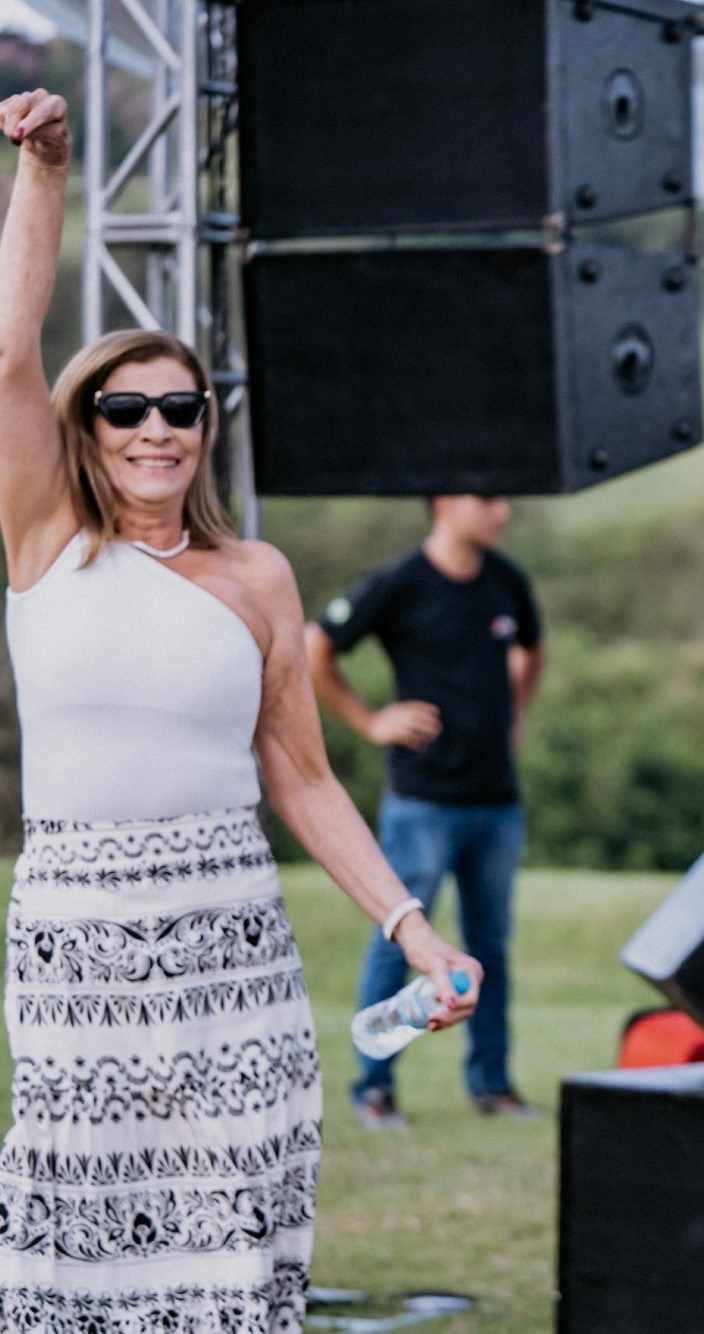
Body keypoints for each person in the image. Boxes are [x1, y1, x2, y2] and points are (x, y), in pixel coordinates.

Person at [0, 89, 480, 1326]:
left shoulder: (258, 575)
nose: (155, 429)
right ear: (86, 426)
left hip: (229, 926)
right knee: (92, 1216)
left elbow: (305, 778)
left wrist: (412, 928)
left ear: (207, 424)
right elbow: (8, 353)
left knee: (229, 1210)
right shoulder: (44, 539)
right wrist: (46, 172)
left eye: (181, 407)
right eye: (125, 409)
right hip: (81, 928)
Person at [306, 496, 545, 1128]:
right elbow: (315, 645)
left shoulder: (506, 579)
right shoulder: (400, 581)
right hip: (422, 802)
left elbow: (533, 648)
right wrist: (370, 721)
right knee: (399, 938)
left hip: (496, 801)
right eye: (487, 499)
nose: (503, 512)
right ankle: (374, 1089)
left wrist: (515, 713)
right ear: (444, 502)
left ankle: (493, 1085)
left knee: (490, 946)